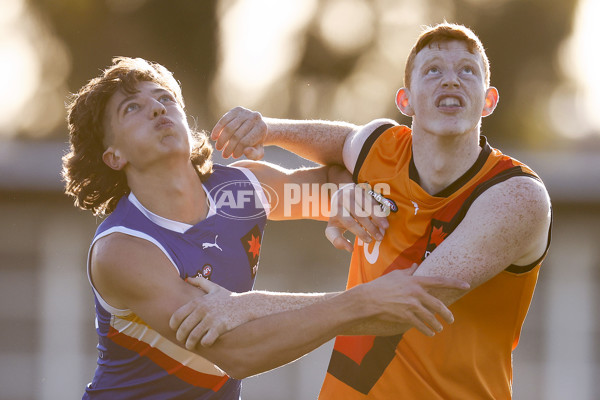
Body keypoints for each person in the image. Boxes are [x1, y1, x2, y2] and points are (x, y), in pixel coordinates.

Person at [62, 56, 469, 399]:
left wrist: (343, 192)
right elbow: (235, 350)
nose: (157, 108)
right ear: (113, 156)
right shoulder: (124, 248)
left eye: (165, 98)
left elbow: (343, 174)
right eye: (131, 108)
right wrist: (362, 302)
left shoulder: (242, 190)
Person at [183, 22, 553, 398]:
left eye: (467, 71)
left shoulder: (515, 197)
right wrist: (269, 129)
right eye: (433, 70)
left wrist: (248, 306)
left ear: (488, 100)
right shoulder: (381, 148)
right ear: (404, 101)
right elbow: (342, 141)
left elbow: (400, 305)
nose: (451, 81)